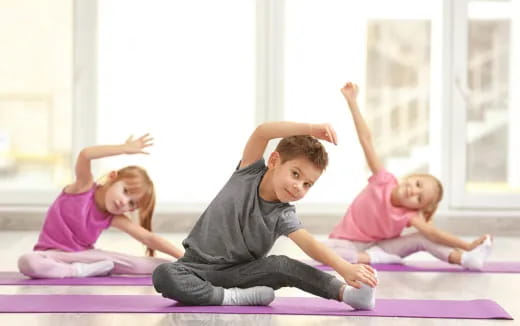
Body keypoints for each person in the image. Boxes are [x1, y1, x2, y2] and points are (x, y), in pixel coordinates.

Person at [152, 121, 378, 310]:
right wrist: (309, 129)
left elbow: (309, 243)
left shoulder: (283, 214)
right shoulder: (248, 172)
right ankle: (233, 298)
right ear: (274, 161)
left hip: (239, 275)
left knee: (281, 265)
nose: (299, 186)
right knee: (164, 274)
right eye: (295, 174)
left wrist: (344, 268)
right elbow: (262, 132)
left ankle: (346, 294)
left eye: (307, 184)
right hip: (195, 268)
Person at [327, 82, 492, 271]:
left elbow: (432, 233)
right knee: (324, 250)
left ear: (418, 208)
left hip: (380, 249)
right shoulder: (383, 180)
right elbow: (366, 140)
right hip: (346, 244)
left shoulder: (408, 215)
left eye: (419, 198)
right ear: (412, 177)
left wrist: (468, 246)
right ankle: (370, 258)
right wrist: (352, 101)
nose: (414, 191)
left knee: (422, 238)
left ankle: (466, 259)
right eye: (418, 184)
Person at [18, 134, 184, 278]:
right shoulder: (83, 187)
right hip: (51, 255)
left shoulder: (113, 217)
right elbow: (85, 154)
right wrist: (124, 148)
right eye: (125, 191)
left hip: (86, 257)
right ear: (112, 177)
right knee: (28, 262)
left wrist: (182, 257)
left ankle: (186, 268)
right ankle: (76, 271)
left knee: (138, 264)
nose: (124, 202)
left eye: (132, 203)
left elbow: (147, 238)